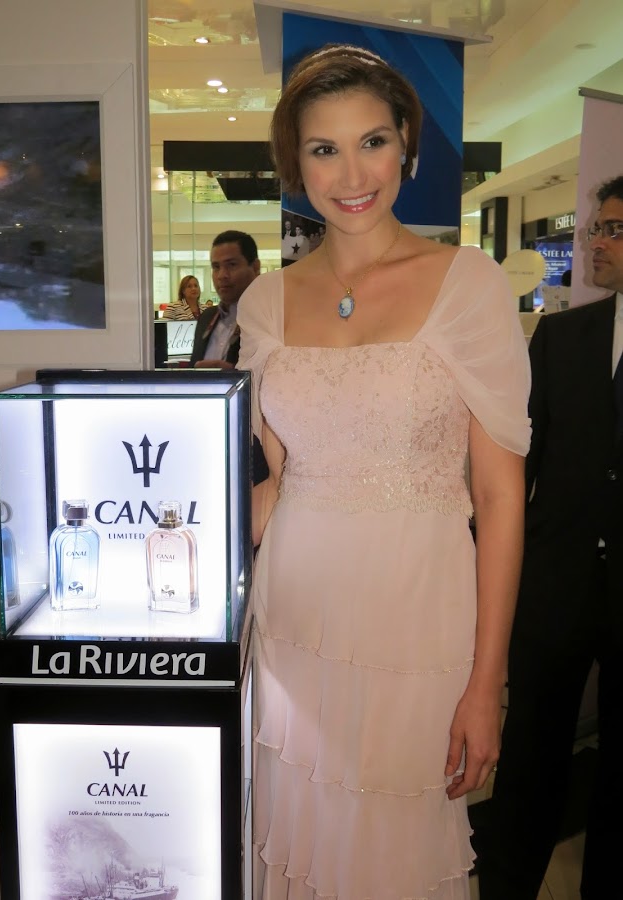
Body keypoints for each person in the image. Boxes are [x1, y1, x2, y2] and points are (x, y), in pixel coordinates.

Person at [237, 43, 530, 900]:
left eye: (372, 141)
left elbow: (499, 497)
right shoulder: (264, 302)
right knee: (297, 842)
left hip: (417, 623)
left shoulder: (467, 285)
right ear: (296, 165)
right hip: (292, 623)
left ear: (406, 142)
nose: (351, 173)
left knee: (392, 854)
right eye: (323, 149)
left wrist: (486, 683)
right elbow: (278, 484)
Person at [477, 176, 623, 900]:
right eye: (597, 228)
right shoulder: (562, 339)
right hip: (554, 587)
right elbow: (518, 467)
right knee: (530, 761)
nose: (596, 242)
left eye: (613, 230)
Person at [189, 230, 260, 369]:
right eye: (216, 267)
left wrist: (236, 376)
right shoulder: (207, 318)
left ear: (255, 267)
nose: (222, 275)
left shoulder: (270, 318)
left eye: (231, 265)